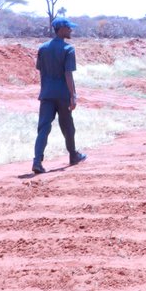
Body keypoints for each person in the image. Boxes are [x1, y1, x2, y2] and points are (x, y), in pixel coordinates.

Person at [32, 17, 87, 174]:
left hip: (46, 94)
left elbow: (41, 70)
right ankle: (73, 155)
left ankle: (37, 161)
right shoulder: (68, 49)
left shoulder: (42, 48)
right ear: (61, 29)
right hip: (62, 95)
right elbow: (68, 74)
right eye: (68, 28)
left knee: (43, 128)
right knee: (68, 126)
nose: (71, 30)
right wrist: (73, 95)